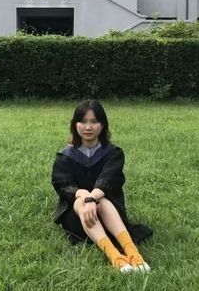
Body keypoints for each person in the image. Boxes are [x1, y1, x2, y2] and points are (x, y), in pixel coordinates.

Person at [51, 99, 152, 272]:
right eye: (83, 121)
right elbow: (63, 184)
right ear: (75, 125)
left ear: (103, 125)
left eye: (94, 121)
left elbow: (109, 179)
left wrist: (92, 198)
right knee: (80, 202)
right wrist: (83, 195)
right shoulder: (66, 156)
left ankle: (132, 252)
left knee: (102, 200)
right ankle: (115, 256)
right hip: (77, 218)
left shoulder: (113, 153)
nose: (88, 127)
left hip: (110, 212)